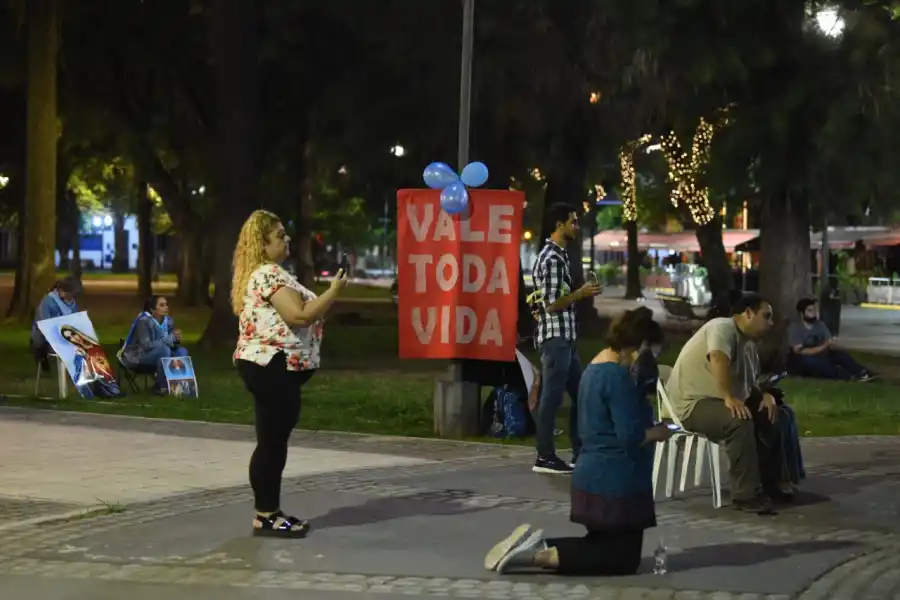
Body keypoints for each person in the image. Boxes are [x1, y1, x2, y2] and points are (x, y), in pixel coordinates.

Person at [484, 309, 673, 575]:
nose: (652, 358)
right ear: (639, 346)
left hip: (594, 476)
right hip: (614, 481)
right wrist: (659, 431)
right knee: (621, 559)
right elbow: (631, 435)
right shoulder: (618, 377)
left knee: (607, 547)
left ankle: (534, 548)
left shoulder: (593, 368)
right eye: (652, 351)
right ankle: (535, 553)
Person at [232, 209, 348, 538]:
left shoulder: (270, 273)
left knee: (272, 442)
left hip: (272, 365)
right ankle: (266, 515)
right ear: (262, 243)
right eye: (279, 235)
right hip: (271, 365)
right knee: (271, 443)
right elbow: (299, 315)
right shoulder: (267, 274)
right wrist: (333, 292)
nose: (286, 239)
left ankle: (269, 511)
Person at [665, 292, 784, 514]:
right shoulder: (722, 327)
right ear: (748, 313)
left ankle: (770, 483)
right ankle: (745, 495)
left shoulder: (749, 346)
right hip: (692, 404)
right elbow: (718, 358)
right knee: (738, 421)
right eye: (766, 316)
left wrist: (766, 395)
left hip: (717, 401)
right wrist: (728, 397)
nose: (771, 323)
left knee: (773, 413)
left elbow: (751, 386)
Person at [530, 203, 602, 475]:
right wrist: (580, 294)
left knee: (579, 393)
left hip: (566, 339)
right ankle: (545, 456)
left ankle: (579, 452)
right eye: (572, 221)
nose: (576, 226)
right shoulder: (551, 259)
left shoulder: (560, 256)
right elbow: (550, 304)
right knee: (551, 398)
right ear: (559, 224)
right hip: (555, 338)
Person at [787, 298, 874, 381]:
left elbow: (829, 341)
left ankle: (862, 372)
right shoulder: (795, 328)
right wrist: (824, 345)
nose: (814, 313)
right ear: (802, 314)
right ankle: (844, 376)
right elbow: (799, 351)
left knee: (840, 355)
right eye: (810, 311)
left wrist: (832, 343)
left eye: (814, 310)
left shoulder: (820, 325)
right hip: (803, 359)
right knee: (813, 362)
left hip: (821, 354)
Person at [121, 295, 189, 392]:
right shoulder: (143, 321)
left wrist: (176, 339)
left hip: (161, 354)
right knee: (164, 350)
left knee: (182, 351)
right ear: (152, 310)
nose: (166, 307)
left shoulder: (168, 321)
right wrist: (168, 339)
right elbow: (145, 346)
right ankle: (161, 386)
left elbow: (171, 342)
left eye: (166, 304)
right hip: (139, 357)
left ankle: (179, 386)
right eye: (162, 305)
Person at [31, 276, 83, 366]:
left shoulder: (71, 303)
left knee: (88, 347)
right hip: (45, 340)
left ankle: (96, 376)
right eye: (71, 294)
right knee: (69, 348)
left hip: (66, 335)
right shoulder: (48, 302)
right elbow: (45, 326)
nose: (72, 297)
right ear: (62, 291)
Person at [59, 324, 122, 398]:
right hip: (94, 379)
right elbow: (81, 372)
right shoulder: (78, 351)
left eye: (73, 334)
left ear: (77, 332)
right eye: (69, 338)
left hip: (106, 376)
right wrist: (84, 355)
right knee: (111, 391)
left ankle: (109, 389)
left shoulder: (94, 344)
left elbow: (102, 363)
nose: (74, 338)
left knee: (114, 390)